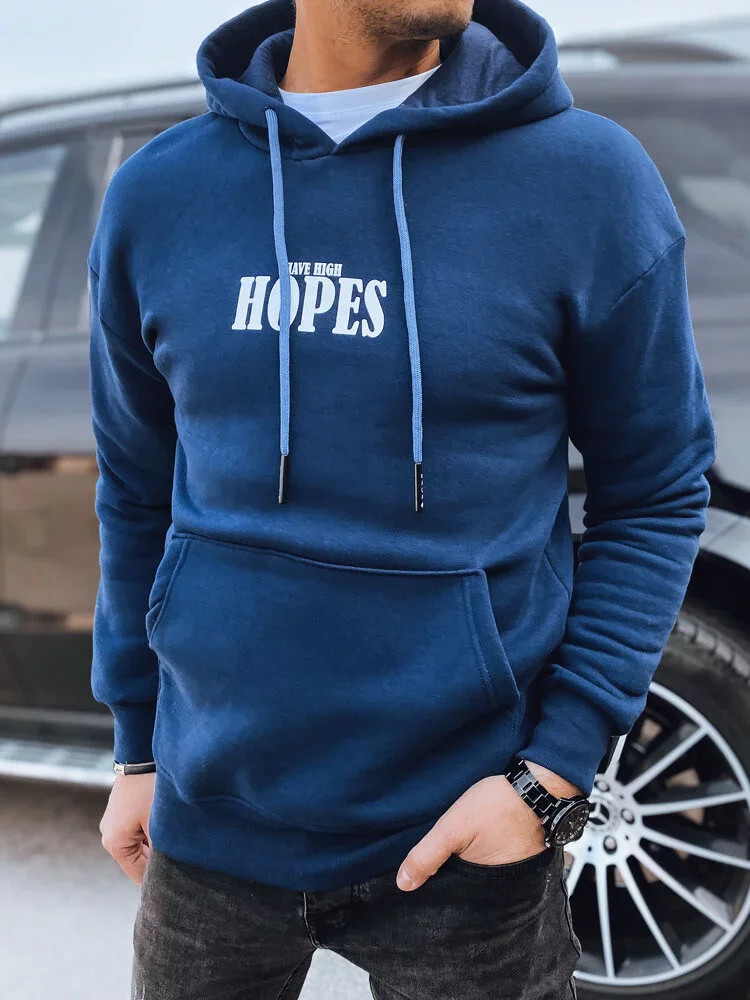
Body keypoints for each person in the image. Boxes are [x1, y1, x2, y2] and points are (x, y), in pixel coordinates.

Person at [88, 0, 716, 996]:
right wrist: (135, 749)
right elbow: (135, 492)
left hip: (467, 845)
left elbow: (656, 491)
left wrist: (549, 779)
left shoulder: (588, 181)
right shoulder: (159, 195)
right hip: (208, 830)